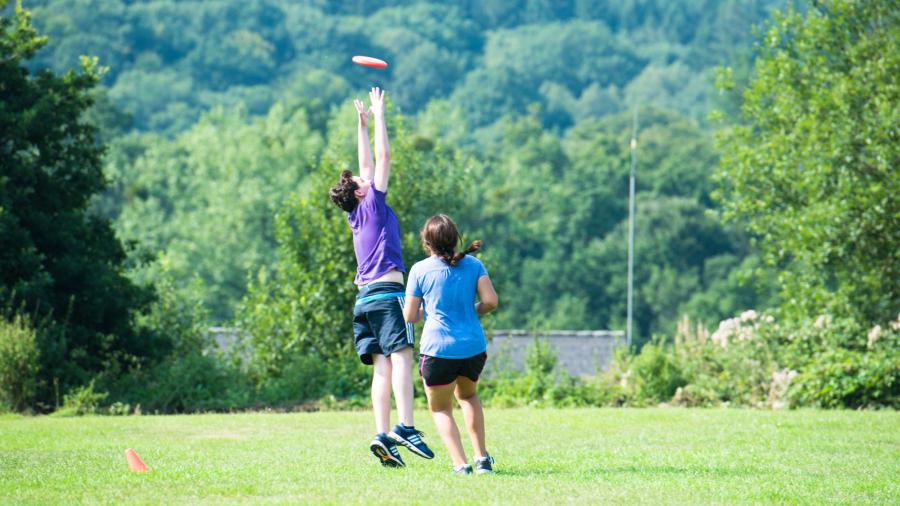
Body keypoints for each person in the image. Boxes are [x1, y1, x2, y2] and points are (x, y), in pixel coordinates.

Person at [328, 87, 433, 467]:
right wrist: (380, 114)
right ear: (360, 191)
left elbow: (367, 164)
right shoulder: (372, 202)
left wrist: (361, 124)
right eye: (360, 178)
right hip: (389, 296)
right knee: (403, 357)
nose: (365, 175)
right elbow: (383, 157)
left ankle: (381, 433)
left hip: (363, 302)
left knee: (381, 369)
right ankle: (405, 426)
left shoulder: (355, 213)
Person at [403, 214, 499, 475]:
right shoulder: (474, 265)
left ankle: (461, 464)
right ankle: (482, 460)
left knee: (441, 408)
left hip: (438, 350)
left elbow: (410, 316)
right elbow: (491, 301)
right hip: (472, 347)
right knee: (468, 396)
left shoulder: (419, 270)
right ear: (456, 238)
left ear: (427, 242)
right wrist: (470, 310)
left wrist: (432, 311)